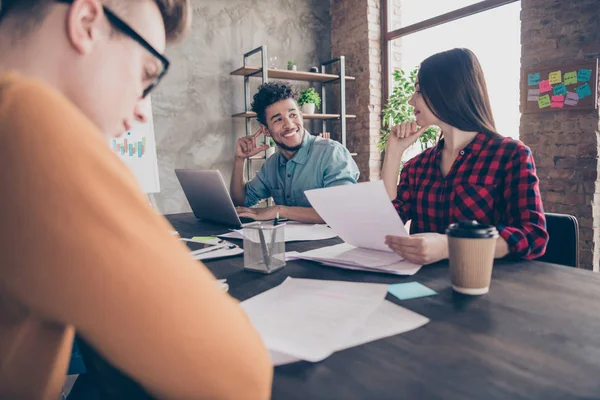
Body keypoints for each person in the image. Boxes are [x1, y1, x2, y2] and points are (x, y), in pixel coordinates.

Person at [0, 0, 272, 399]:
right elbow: (238, 377)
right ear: (87, 22)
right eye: (147, 73)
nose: (143, 110)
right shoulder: (20, 116)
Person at [381, 48, 548, 265]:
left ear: (447, 91)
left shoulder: (510, 155)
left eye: (419, 91)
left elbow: (532, 236)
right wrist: (393, 152)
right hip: (420, 286)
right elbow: (385, 224)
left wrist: (450, 246)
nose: (412, 101)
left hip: (483, 285)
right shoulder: (417, 166)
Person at [230, 82, 359, 223]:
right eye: (278, 119)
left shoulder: (332, 153)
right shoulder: (272, 164)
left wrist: (279, 210)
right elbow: (241, 202)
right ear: (266, 130)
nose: (289, 124)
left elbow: (340, 210)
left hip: (333, 243)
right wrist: (239, 159)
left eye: (293, 115)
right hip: (291, 243)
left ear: (301, 116)